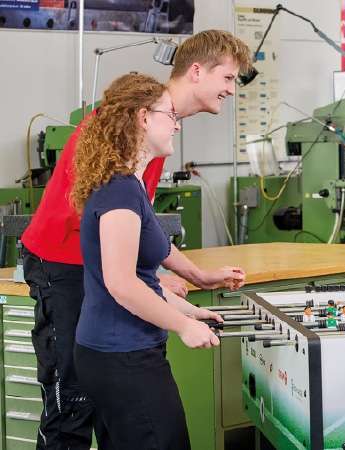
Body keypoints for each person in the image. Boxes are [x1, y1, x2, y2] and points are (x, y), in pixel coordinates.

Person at [19, 29, 251, 449]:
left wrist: (192, 275)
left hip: (98, 277)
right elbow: (100, 226)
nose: (231, 90)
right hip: (64, 268)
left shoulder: (152, 141)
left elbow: (139, 229)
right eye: (229, 78)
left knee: (117, 424)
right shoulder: (122, 131)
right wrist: (154, 286)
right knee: (71, 411)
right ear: (196, 71)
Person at [70, 73, 222, 448]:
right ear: (142, 118)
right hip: (122, 358)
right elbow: (120, 284)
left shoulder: (129, 185)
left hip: (115, 353)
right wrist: (182, 328)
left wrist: (190, 312)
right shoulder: (121, 190)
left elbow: (140, 279)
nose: (176, 124)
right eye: (171, 115)